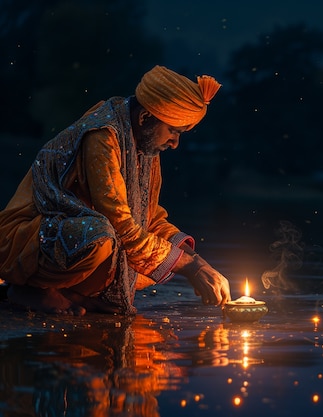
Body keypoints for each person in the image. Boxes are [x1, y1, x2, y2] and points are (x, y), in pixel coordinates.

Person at [0, 65, 231, 315]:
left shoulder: (144, 141)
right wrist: (191, 267)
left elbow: (149, 218)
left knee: (161, 262)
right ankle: (31, 290)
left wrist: (196, 261)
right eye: (174, 131)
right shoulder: (103, 136)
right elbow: (122, 227)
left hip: (77, 238)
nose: (175, 143)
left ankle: (74, 293)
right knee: (100, 238)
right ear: (145, 118)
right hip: (25, 239)